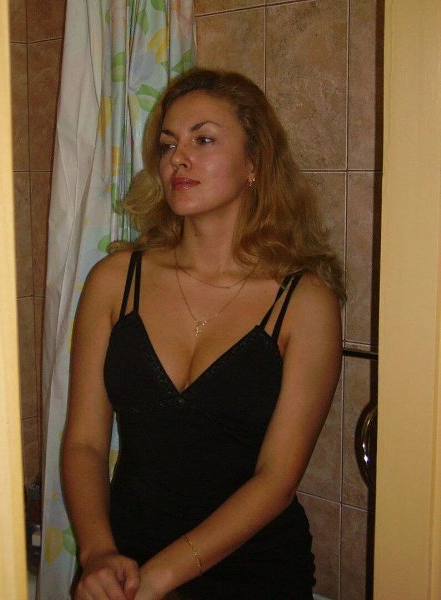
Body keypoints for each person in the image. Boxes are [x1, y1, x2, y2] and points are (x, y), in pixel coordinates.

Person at [62, 68, 343, 600]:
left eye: (204, 140)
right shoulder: (115, 281)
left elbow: (276, 481)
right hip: (125, 560)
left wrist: (162, 577)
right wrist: (97, 554)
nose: (178, 159)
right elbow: (84, 443)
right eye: (168, 144)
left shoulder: (304, 303)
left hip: (252, 572)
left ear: (254, 163)